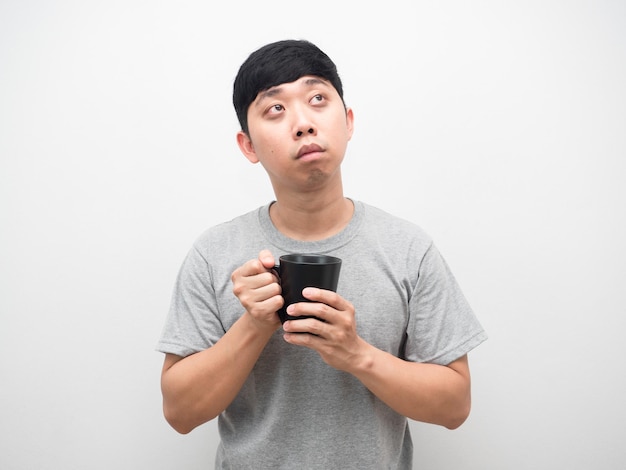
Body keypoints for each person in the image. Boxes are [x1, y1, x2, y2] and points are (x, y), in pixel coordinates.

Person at [157, 39, 487, 469]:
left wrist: (355, 354)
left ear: (348, 121)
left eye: (317, 99)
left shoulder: (409, 248)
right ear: (248, 146)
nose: (303, 123)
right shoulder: (213, 253)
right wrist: (256, 323)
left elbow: (454, 406)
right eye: (275, 109)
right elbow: (180, 414)